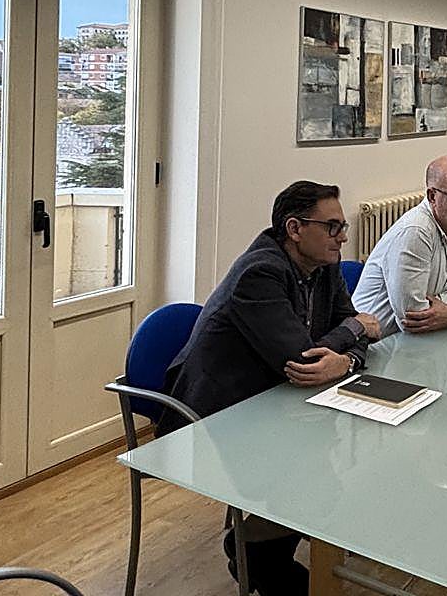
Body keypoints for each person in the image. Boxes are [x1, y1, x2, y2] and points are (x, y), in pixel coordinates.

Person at [157, 180, 381, 595]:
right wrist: (350, 334)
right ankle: (256, 553)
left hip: (278, 394)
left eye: (343, 225)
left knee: (330, 455)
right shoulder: (260, 272)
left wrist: (347, 355)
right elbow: (308, 357)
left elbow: (357, 334)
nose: (343, 237)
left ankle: (294, 533)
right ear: (294, 228)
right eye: (332, 226)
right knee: (315, 458)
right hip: (217, 413)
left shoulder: (324, 265)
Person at [352, 155, 447, 336]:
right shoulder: (415, 232)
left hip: (434, 335)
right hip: (377, 344)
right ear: (432, 196)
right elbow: (412, 320)